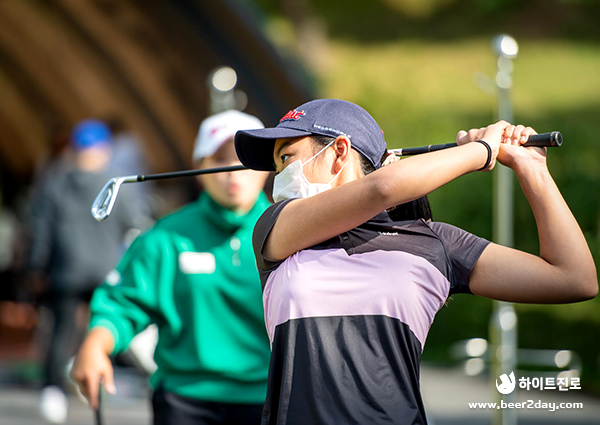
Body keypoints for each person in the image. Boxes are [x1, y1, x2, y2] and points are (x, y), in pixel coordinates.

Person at [233, 99, 598, 425]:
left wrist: (532, 169)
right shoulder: (275, 228)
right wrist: (481, 151)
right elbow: (382, 188)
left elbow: (574, 279)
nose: (278, 177)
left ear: (339, 152)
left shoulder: (435, 243)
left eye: (285, 158)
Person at [71, 110, 271, 425]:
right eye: (220, 159)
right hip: (183, 402)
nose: (234, 172)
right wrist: (95, 344)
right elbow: (122, 304)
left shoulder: (293, 233)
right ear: (199, 167)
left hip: (269, 401)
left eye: (245, 158)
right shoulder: (165, 238)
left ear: (267, 168)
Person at [27, 119, 137, 424]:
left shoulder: (54, 183)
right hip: (105, 272)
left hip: (65, 272)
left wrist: (35, 267)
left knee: (60, 331)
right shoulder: (116, 185)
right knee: (102, 328)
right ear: (105, 150)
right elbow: (132, 226)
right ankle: (97, 382)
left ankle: (53, 390)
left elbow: (40, 229)